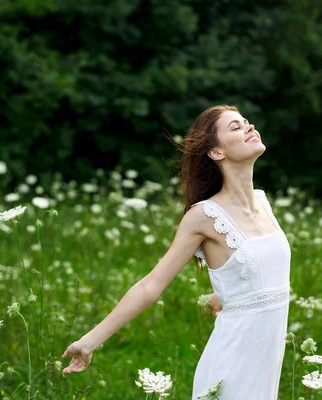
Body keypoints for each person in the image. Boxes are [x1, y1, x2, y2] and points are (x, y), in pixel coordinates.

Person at [61, 105, 291, 400]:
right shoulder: (204, 216)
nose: (248, 126)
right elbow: (150, 286)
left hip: (266, 364)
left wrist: (225, 293)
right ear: (216, 152)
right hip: (233, 363)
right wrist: (89, 341)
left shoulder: (262, 202)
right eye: (235, 127)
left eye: (247, 122)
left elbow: (263, 269)